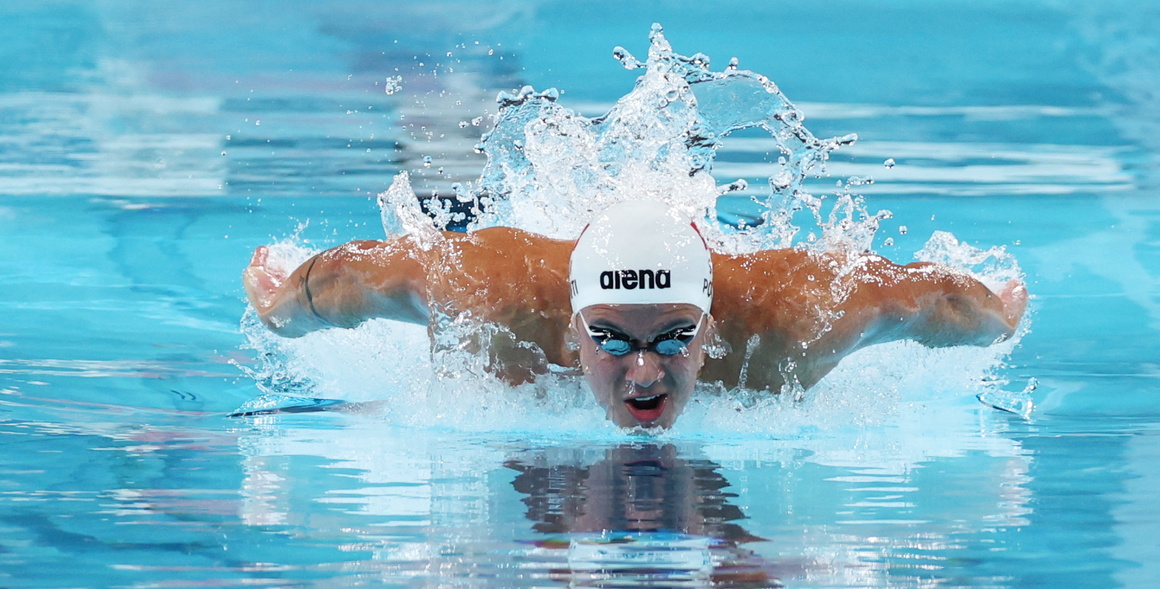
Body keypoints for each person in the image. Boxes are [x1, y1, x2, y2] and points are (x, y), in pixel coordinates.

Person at [243, 200, 1027, 429]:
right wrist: (283, 307)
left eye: (676, 337)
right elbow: (355, 275)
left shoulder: (791, 326)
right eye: (610, 338)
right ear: (567, 328)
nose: (645, 371)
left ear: (715, 326)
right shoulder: (492, 303)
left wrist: (998, 317)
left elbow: (918, 296)